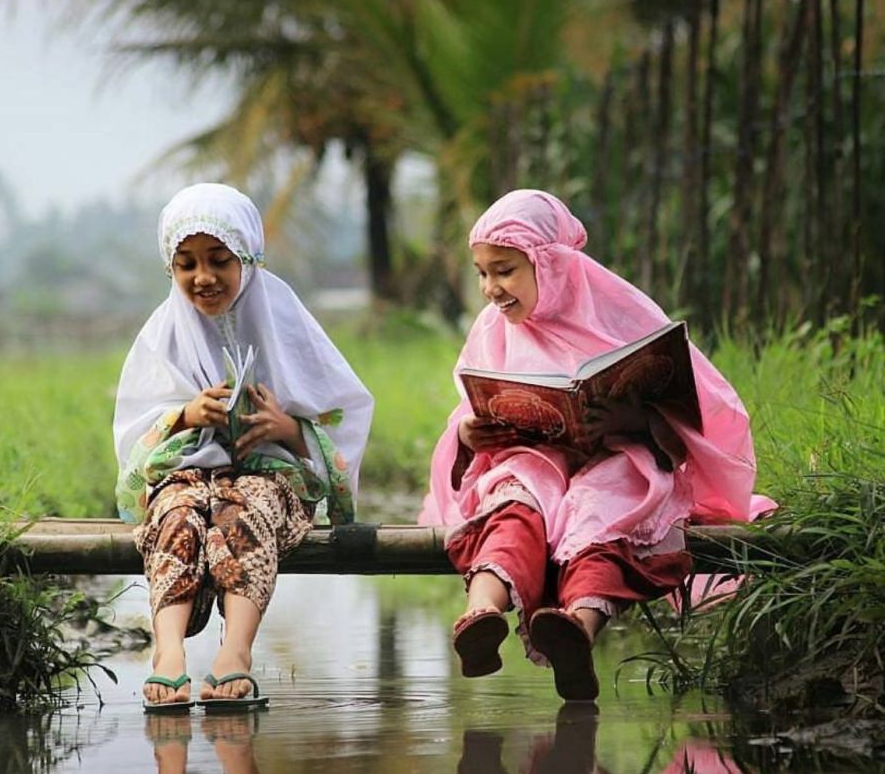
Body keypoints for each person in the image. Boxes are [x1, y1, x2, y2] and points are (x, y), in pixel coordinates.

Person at [419, 189, 774, 701]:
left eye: (505, 270)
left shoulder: (621, 313)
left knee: (603, 520)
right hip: (533, 460)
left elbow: (696, 415)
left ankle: (576, 632)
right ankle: (481, 614)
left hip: (617, 460)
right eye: (482, 273)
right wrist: (468, 435)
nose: (491, 288)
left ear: (552, 263)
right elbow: (468, 413)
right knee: (516, 504)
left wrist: (636, 417)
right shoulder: (493, 329)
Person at [113, 183, 373, 712]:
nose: (202, 277)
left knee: (242, 508)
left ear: (247, 259)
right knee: (177, 515)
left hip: (271, 476)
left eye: (218, 260)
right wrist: (183, 416)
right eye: (186, 264)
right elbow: (135, 428)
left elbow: (343, 410)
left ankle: (235, 653)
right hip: (187, 473)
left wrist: (287, 428)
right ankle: (168, 657)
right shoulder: (163, 333)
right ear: (171, 268)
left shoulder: (285, 320)